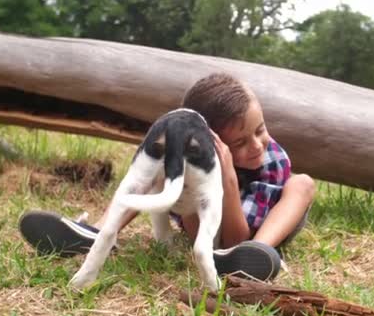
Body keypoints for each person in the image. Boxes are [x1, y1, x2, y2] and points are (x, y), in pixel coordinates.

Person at [19, 73, 315, 281]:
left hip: (262, 227)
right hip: (205, 226)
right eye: (239, 143)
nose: (256, 145)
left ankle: (260, 254)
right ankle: (97, 233)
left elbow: (236, 239)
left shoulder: (272, 159)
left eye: (260, 130)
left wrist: (229, 180)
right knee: (160, 172)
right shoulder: (196, 158)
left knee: (302, 184)